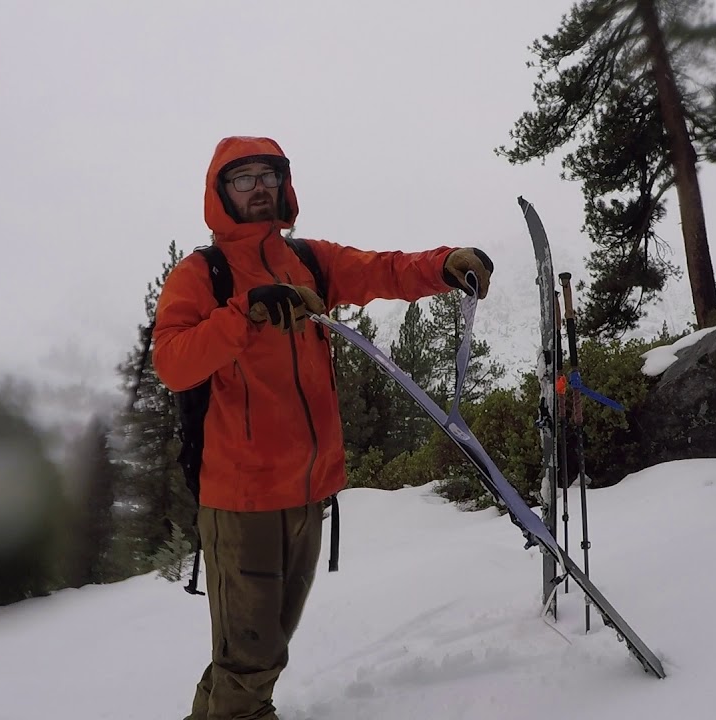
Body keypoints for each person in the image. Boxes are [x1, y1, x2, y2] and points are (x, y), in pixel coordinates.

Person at [151, 135, 493, 720]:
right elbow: (172, 362)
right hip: (243, 498)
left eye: (268, 175)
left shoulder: (308, 260)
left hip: (307, 493)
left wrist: (443, 264)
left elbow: (381, 270)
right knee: (251, 658)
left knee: (256, 650)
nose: (258, 188)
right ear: (220, 193)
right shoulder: (202, 274)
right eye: (242, 179)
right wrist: (247, 312)